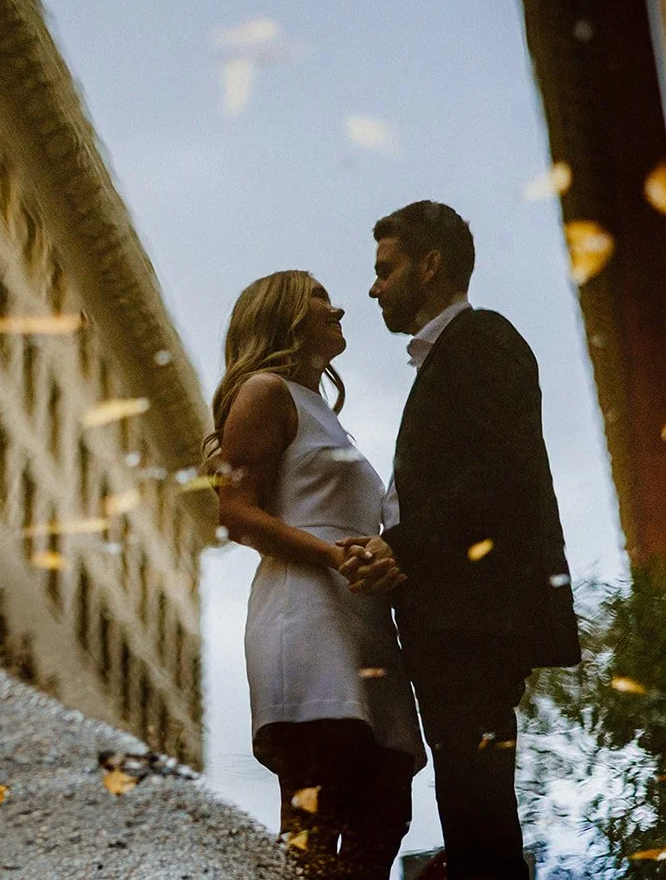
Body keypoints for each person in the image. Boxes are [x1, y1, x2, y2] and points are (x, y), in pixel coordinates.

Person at [339, 201, 581, 880]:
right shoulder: (452, 355)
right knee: (471, 805)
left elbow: (502, 478)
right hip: (457, 626)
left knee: (477, 811)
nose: (374, 287)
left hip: (476, 623)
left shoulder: (481, 340)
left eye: (386, 269)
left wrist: (401, 548)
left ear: (431, 264)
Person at [209, 270, 424, 879]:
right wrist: (334, 555)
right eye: (320, 297)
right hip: (304, 615)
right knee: (314, 818)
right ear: (283, 315)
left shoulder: (323, 414)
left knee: (385, 810)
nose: (339, 309)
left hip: (365, 624)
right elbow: (236, 514)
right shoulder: (264, 391)